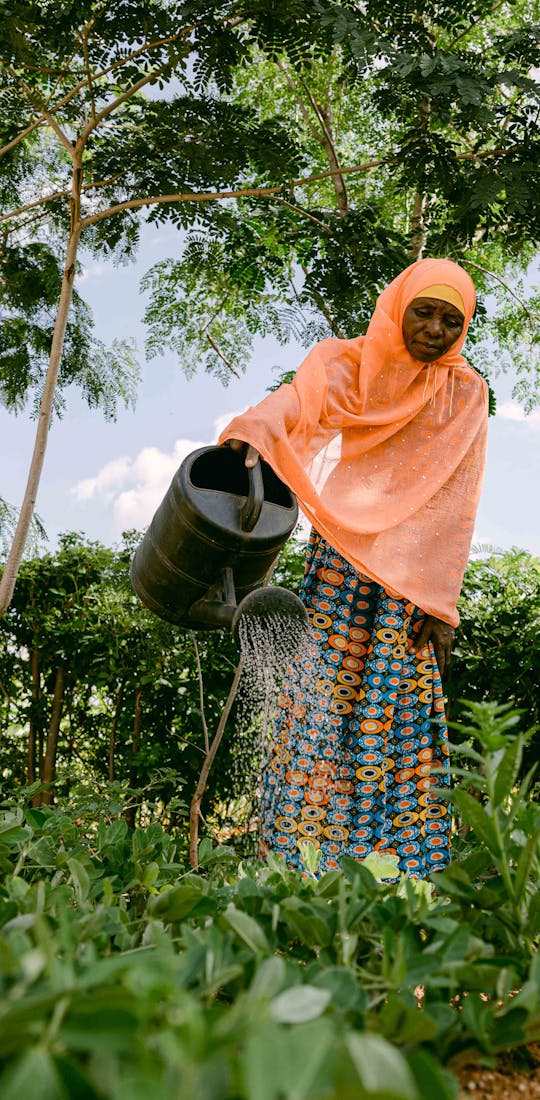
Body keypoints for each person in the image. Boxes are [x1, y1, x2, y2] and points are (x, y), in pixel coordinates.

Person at [220, 257, 488, 877]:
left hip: (410, 591)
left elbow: (459, 503)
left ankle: (396, 880)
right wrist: (255, 430)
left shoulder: (464, 392)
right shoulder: (350, 364)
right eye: (424, 312)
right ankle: (300, 871)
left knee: (396, 721)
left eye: (452, 320)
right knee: (317, 708)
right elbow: (297, 405)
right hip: (341, 566)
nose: (436, 329)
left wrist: (442, 604)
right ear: (399, 310)